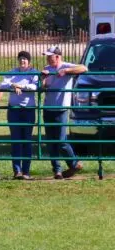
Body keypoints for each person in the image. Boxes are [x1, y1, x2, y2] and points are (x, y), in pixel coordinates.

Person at [40, 46, 87, 179]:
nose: (48, 58)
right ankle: (57, 170)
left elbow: (84, 68)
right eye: (47, 56)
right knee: (51, 142)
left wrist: (66, 71)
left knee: (61, 141)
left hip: (62, 109)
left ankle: (74, 163)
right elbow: (42, 88)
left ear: (58, 56)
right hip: (48, 108)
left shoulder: (66, 66)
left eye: (50, 56)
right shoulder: (47, 68)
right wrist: (42, 78)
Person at [0, 51, 39, 180]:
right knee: (16, 140)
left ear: (29, 61)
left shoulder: (33, 72)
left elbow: (34, 86)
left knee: (27, 140)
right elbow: (2, 84)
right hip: (14, 111)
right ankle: (17, 171)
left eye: (25, 59)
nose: (22, 61)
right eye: (21, 59)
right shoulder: (12, 72)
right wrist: (12, 85)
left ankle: (26, 171)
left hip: (28, 110)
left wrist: (21, 86)